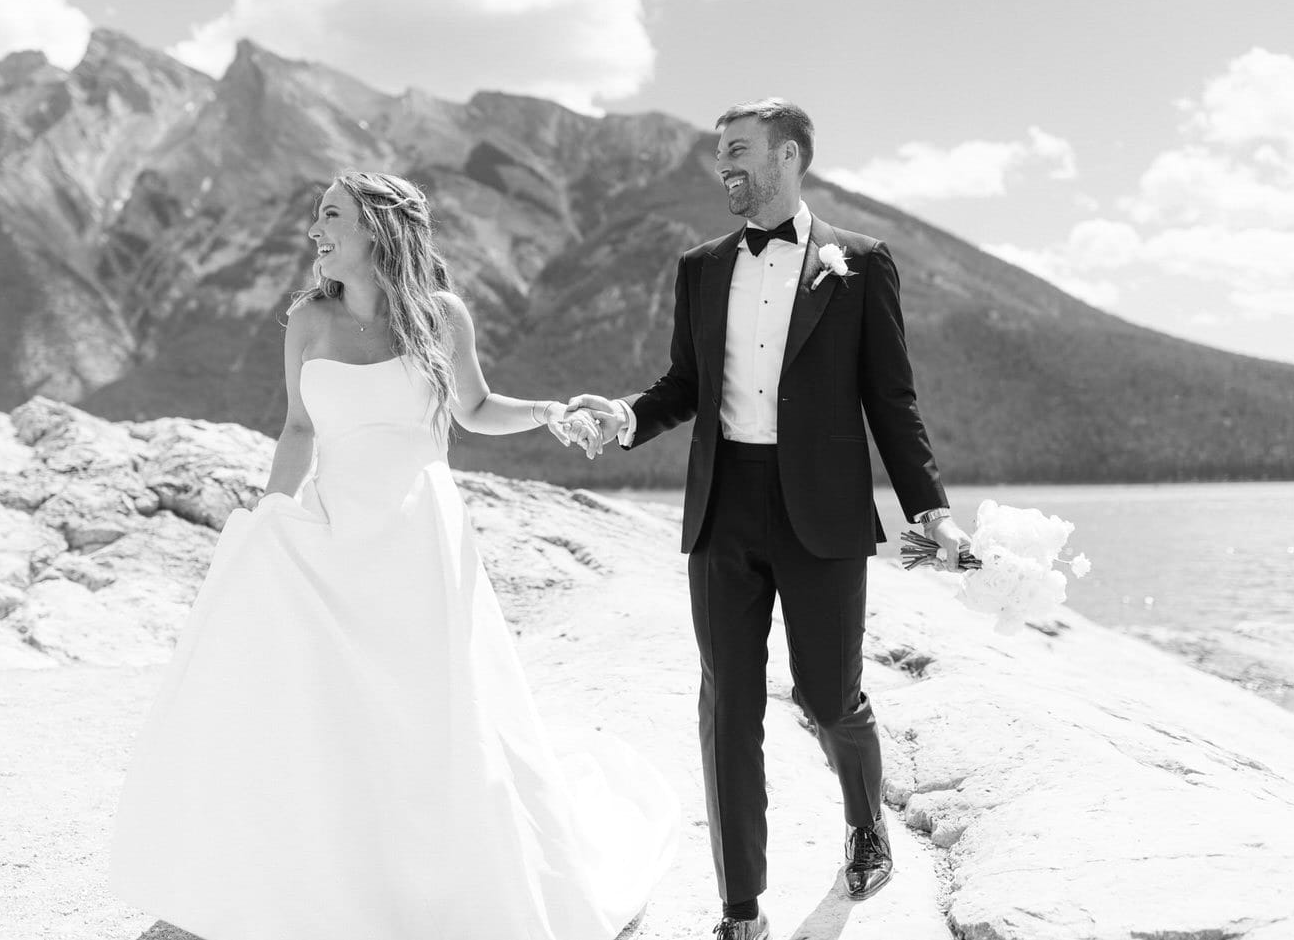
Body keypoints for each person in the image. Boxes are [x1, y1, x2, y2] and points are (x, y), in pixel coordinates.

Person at [109, 171, 679, 940]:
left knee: (433, 708)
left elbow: (474, 407)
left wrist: (549, 412)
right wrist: (271, 515)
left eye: (332, 215)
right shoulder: (307, 320)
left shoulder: (441, 315)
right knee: (340, 708)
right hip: (337, 532)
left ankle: (451, 884)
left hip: (421, 536)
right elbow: (299, 430)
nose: (315, 229)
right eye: (316, 215)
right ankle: (339, 879)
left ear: (378, 228)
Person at [567, 98, 970, 940]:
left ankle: (865, 825)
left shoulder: (860, 263)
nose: (725, 166)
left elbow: (891, 402)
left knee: (830, 697)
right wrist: (628, 419)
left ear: (789, 156)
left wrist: (929, 508)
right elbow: (685, 385)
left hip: (820, 513)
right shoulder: (701, 266)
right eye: (721, 153)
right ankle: (739, 909)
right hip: (724, 509)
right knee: (728, 707)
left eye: (739, 150)